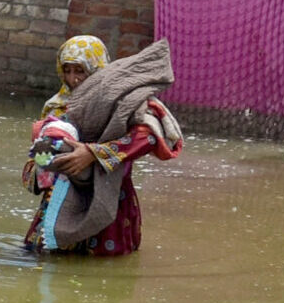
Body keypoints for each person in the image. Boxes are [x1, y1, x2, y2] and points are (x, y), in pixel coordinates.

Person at [24, 35, 179, 257]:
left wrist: (92, 154)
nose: (73, 79)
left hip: (111, 194)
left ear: (97, 70)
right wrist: (41, 165)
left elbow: (150, 136)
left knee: (104, 264)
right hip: (61, 195)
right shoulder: (55, 107)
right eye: (67, 71)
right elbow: (39, 154)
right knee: (47, 258)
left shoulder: (124, 101)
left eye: (80, 71)